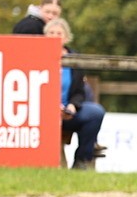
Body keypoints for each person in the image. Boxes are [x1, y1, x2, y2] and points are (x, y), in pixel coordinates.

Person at [45, 18, 106, 170]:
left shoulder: (75, 59)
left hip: (67, 112)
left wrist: (72, 106)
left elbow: (79, 91)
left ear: (66, 37)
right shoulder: (35, 57)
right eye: (51, 33)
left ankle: (82, 161)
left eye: (59, 33)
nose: (54, 36)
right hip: (42, 112)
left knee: (95, 113)